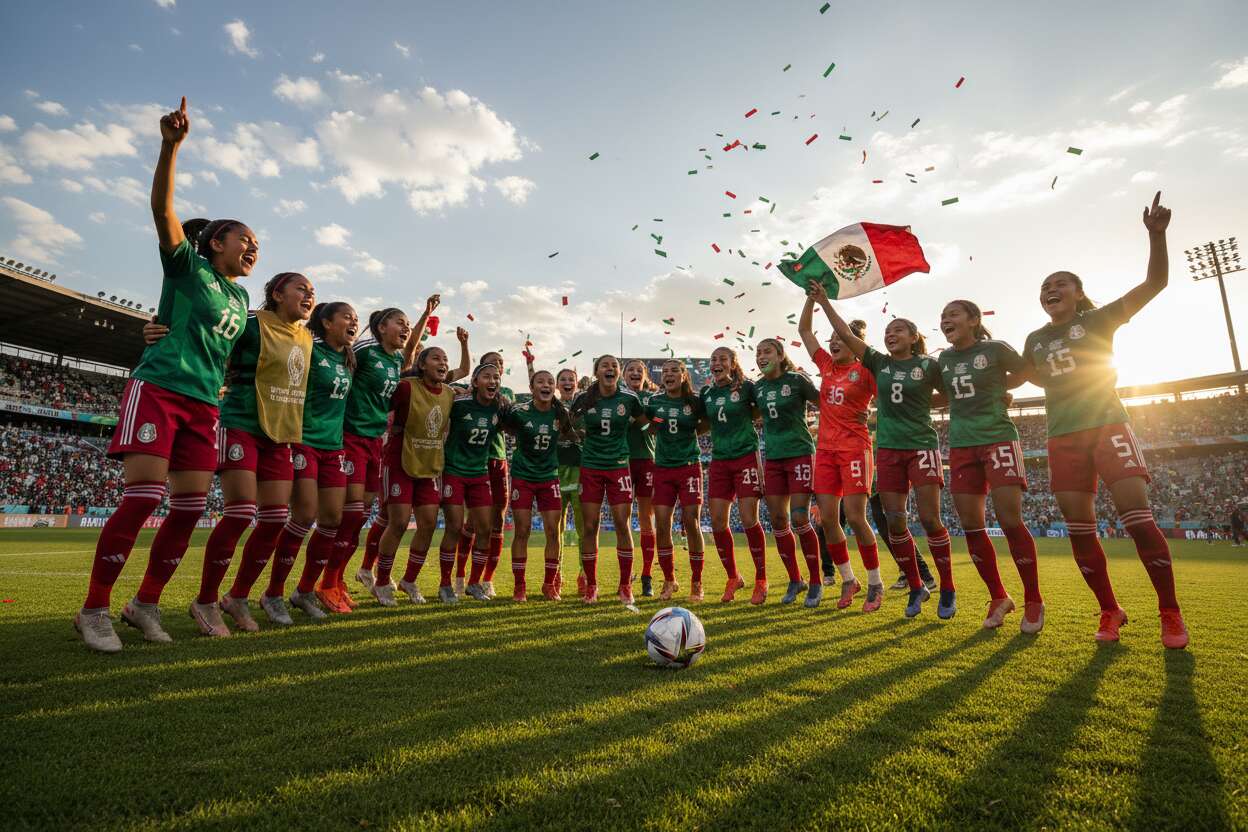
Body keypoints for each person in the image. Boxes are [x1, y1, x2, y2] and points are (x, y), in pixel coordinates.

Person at [76, 97, 256, 653]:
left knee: (189, 509)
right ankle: (94, 610)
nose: (252, 248)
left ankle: (144, 604)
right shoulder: (187, 267)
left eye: (257, 246)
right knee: (141, 498)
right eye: (243, 239)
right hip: (158, 390)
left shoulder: (240, 295)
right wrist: (170, 147)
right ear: (214, 243)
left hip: (205, 406)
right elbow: (162, 211)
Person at [1020, 191, 1187, 648]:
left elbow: (1155, 284)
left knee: (1137, 518)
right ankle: (1110, 610)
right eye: (1044, 287)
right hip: (1062, 437)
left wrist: (1157, 237)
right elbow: (1024, 376)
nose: (1049, 290)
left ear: (1077, 292)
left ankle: (1169, 612)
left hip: (1109, 426)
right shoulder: (1034, 337)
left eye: (1059, 283)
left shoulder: (1099, 320)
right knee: (1079, 528)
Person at [152, 273, 315, 635]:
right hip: (241, 421)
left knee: (274, 519)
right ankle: (206, 600)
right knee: (241, 512)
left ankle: (237, 597)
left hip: (282, 433)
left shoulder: (307, 337)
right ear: (276, 293)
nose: (309, 295)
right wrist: (155, 328)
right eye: (301, 288)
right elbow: (204, 332)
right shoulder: (251, 321)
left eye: (313, 291)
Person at [818, 301, 956, 619]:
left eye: (898, 330)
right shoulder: (877, 363)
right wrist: (824, 301)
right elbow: (842, 333)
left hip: (922, 446)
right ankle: (918, 584)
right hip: (889, 451)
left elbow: (952, 392)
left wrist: (925, 400)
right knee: (895, 523)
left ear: (913, 336)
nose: (891, 334)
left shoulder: (928, 365)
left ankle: (947, 587)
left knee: (930, 519)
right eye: (887, 331)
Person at [936, 299, 1043, 633]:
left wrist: (1000, 387)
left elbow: (1027, 371)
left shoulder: (995, 348)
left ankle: (1034, 599)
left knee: (1010, 520)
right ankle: (999, 596)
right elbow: (946, 394)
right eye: (942, 316)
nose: (945, 319)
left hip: (998, 437)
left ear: (973, 319)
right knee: (971, 525)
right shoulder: (944, 358)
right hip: (962, 444)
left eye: (953, 313)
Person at [255, 301, 360, 621]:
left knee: (331, 520)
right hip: (304, 441)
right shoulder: (309, 348)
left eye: (356, 318)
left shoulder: (348, 359)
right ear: (327, 322)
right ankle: (272, 594)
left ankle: (303, 591)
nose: (353, 322)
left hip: (334, 447)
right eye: (347, 317)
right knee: (303, 516)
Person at [335, 298, 436, 599]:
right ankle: (328, 580)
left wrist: (425, 315)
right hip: (350, 436)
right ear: (381, 328)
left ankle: (337, 579)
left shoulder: (395, 362)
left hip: (373, 442)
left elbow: (412, 347)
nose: (405, 329)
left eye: (407, 326)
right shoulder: (364, 350)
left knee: (361, 515)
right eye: (399, 323)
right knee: (350, 515)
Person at [800, 289, 884, 611]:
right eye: (831, 338)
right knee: (828, 521)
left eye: (840, 338)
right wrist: (811, 298)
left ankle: (875, 583)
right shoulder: (825, 366)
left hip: (854, 449)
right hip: (825, 451)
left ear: (854, 342)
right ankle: (849, 579)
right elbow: (805, 332)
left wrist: (825, 302)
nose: (833, 343)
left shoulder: (866, 371)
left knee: (856, 517)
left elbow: (885, 401)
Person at [371, 332, 470, 605]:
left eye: (445, 359)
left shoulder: (450, 393)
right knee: (399, 522)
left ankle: (409, 580)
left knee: (427, 524)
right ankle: (381, 582)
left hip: (430, 464)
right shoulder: (405, 386)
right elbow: (381, 404)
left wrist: (463, 344)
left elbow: (464, 372)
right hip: (400, 459)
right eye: (436, 357)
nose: (442, 362)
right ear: (422, 364)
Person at [569, 355, 648, 605]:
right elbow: (570, 426)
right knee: (590, 527)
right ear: (596, 372)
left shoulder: (629, 399)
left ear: (618, 372)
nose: (610, 368)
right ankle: (592, 586)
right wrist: (579, 434)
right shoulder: (583, 399)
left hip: (618, 467)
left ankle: (625, 586)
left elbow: (645, 423)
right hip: (590, 467)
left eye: (614, 365)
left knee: (622, 526)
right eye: (605, 365)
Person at [753, 338, 823, 606]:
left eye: (767, 351)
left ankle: (816, 581)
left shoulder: (797, 380)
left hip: (800, 454)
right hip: (773, 458)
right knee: (779, 520)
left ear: (781, 355)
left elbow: (824, 403)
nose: (762, 356)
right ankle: (796, 579)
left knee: (799, 518)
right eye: (758, 352)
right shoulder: (757, 387)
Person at [440, 364, 511, 601]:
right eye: (487, 376)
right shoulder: (459, 403)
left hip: (479, 474)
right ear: (475, 381)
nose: (493, 381)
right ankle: (445, 584)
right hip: (454, 471)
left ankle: (474, 583)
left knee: (485, 529)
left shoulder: (499, 408)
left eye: (497, 377)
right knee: (454, 527)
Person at [701, 347, 765, 603]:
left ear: (732, 363)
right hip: (719, 461)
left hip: (746, 457)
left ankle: (761, 579)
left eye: (722, 359)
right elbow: (701, 422)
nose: (717, 363)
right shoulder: (706, 393)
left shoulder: (747, 388)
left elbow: (759, 413)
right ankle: (733, 577)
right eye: (713, 359)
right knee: (717, 521)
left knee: (749, 518)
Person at [504, 370, 575, 600]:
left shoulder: (560, 413)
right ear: (532, 387)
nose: (546, 385)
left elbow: (569, 435)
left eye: (549, 382)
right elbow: (505, 426)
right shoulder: (519, 411)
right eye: (541, 381)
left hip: (549, 477)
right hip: (523, 476)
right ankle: (519, 586)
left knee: (553, 532)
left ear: (553, 388)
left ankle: (549, 584)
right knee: (522, 530)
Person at [644, 359, 709, 601]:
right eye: (665, 371)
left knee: (691, 522)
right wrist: (660, 422)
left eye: (674, 371)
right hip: (662, 469)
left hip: (689, 467)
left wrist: (689, 429)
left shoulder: (694, 402)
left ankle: (696, 581)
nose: (669, 374)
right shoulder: (654, 402)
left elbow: (706, 423)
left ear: (683, 376)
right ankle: (670, 580)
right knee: (661, 524)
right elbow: (649, 427)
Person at [623, 360, 659, 596]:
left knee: (646, 519)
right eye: (631, 370)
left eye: (640, 370)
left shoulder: (653, 399)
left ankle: (646, 576)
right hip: (621, 461)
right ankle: (625, 579)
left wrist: (643, 421)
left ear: (645, 376)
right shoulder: (616, 397)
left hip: (647, 460)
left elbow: (660, 424)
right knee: (622, 520)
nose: (635, 373)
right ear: (622, 376)